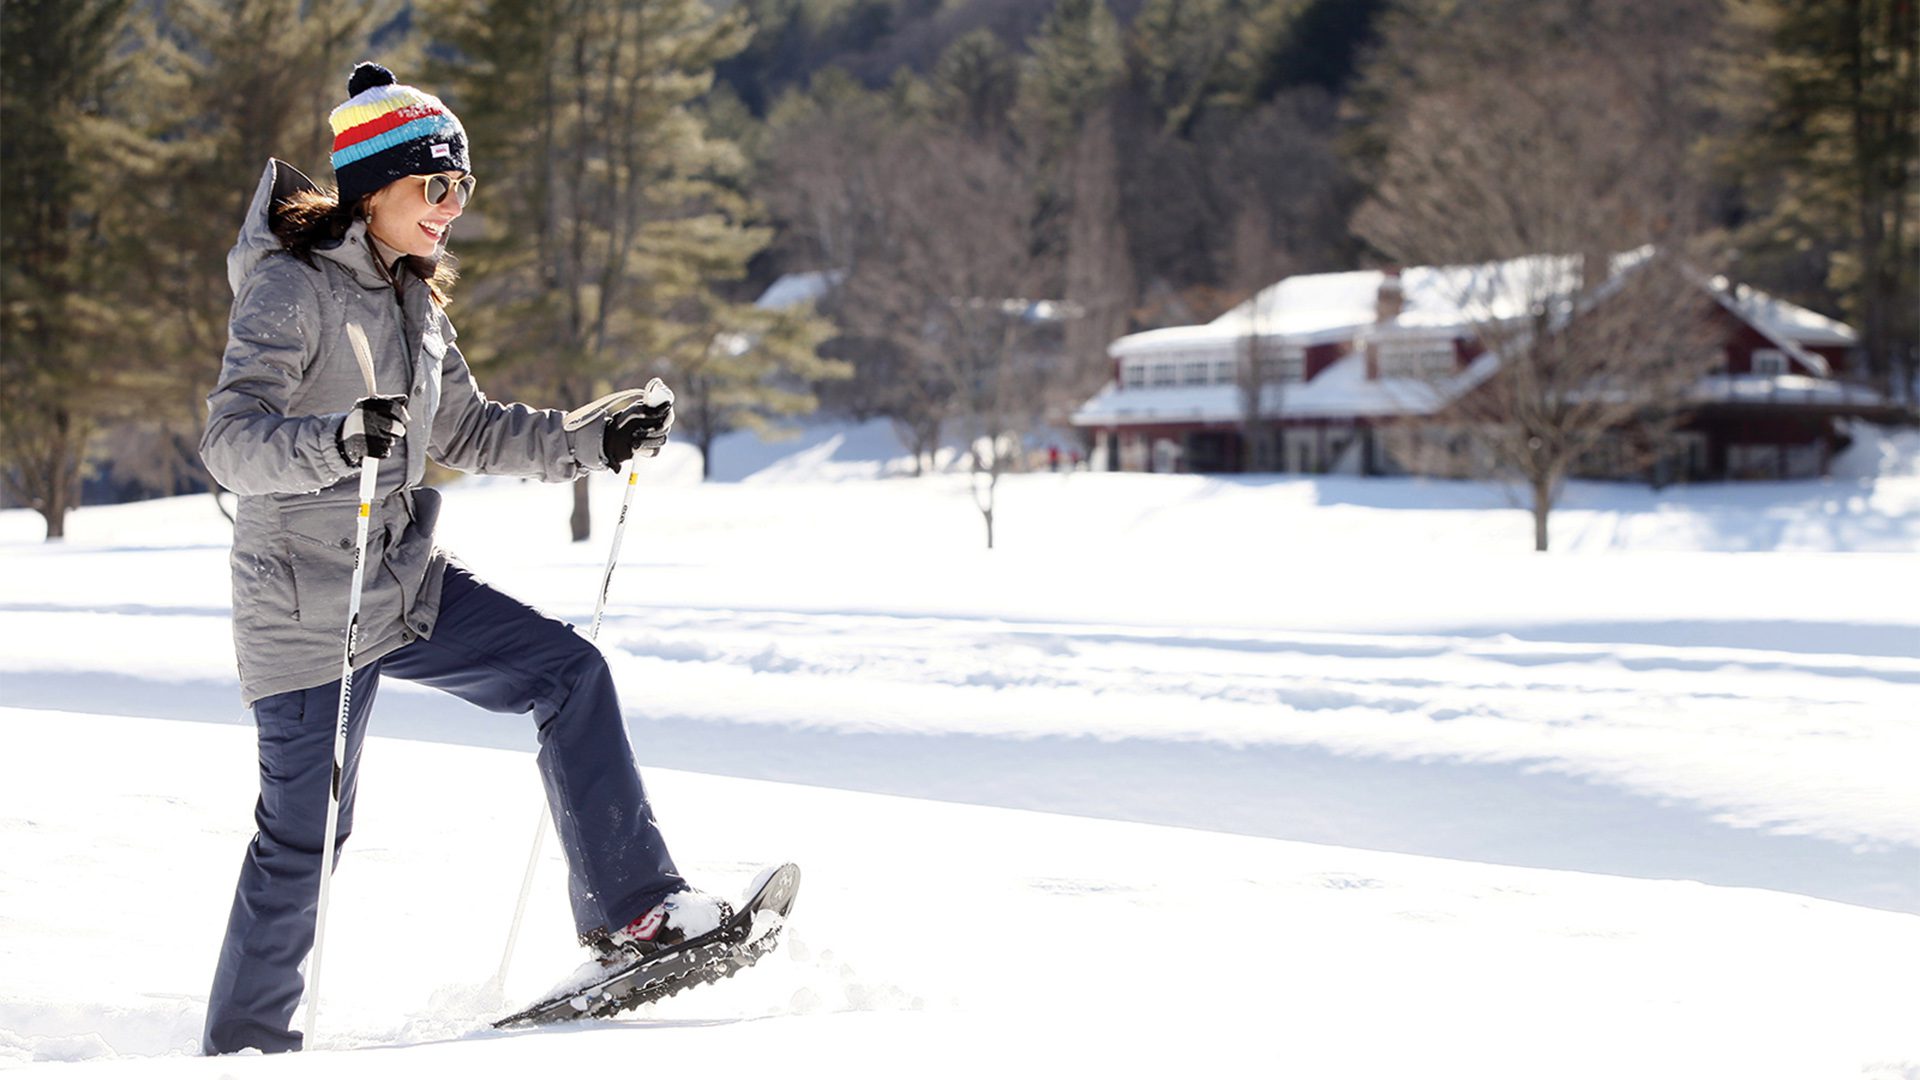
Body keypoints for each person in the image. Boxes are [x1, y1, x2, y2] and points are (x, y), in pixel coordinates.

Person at [198, 62, 720, 1055]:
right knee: (303, 846)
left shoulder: (414, 305)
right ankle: (245, 1053)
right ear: (376, 189)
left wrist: (589, 438)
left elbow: (470, 430)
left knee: (571, 674)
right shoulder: (290, 292)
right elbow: (230, 442)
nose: (453, 209)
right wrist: (336, 441)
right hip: (305, 609)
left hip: (396, 580)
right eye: (438, 187)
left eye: (463, 190)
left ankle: (635, 918)